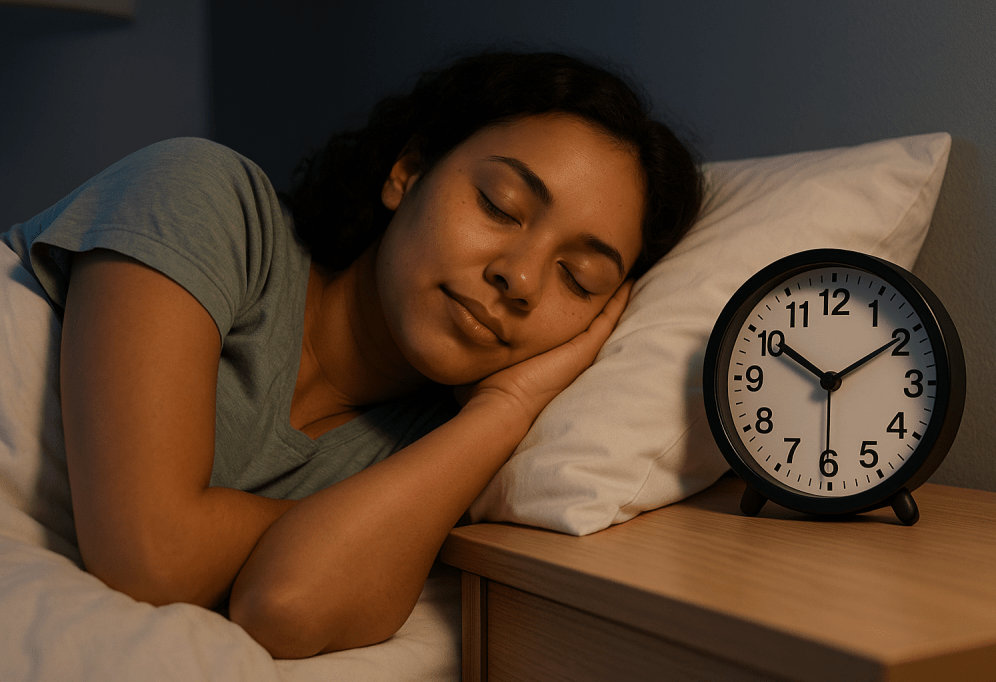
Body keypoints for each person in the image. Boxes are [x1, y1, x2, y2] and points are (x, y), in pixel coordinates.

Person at [1, 50, 703, 658]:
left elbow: (286, 605)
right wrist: (317, 521)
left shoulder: (431, 454)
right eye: (499, 205)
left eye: (578, 279)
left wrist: (506, 410)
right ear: (408, 171)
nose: (518, 279)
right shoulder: (203, 196)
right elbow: (149, 555)